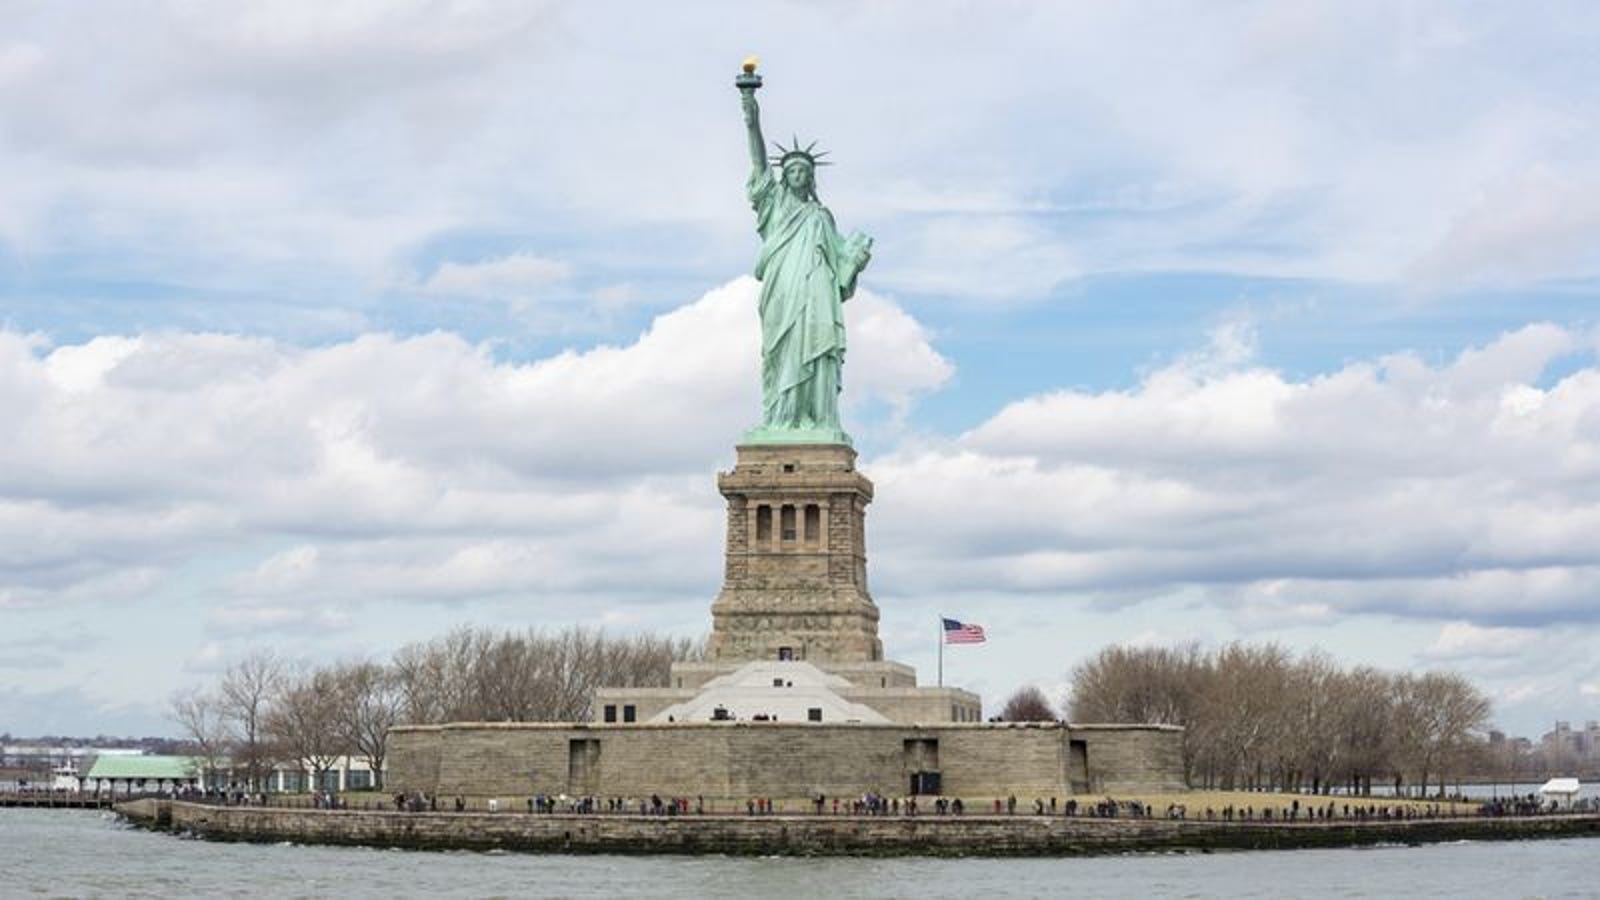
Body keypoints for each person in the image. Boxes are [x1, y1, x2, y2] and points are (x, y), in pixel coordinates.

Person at [738, 82, 872, 439]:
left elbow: (841, 269)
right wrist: (751, 112)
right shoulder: (775, 204)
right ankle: (780, 419)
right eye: (792, 170)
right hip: (783, 288)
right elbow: (757, 159)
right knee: (781, 352)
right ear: (785, 176)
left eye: (804, 171)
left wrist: (855, 261)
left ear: (811, 178)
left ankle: (816, 418)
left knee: (815, 348)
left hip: (816, 294)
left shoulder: (821, 216)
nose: (798, 175)